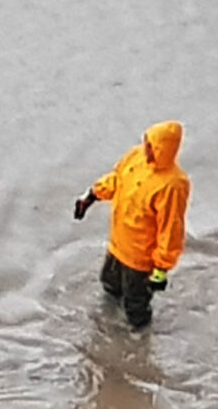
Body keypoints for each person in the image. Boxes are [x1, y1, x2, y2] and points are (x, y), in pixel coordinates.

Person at [73, 121, 190, 330]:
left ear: (163, 149)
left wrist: (161, 269)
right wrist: (92, 196)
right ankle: (105, 327)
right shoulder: (135, 158)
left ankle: (139, 342)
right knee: (109, 285)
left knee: (135, 305)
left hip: (140, 258)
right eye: (146, 142)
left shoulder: (173, 185)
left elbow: (171, 228)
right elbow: (116, 180)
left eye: (151, 146)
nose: (145, 148)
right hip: (118, 245)